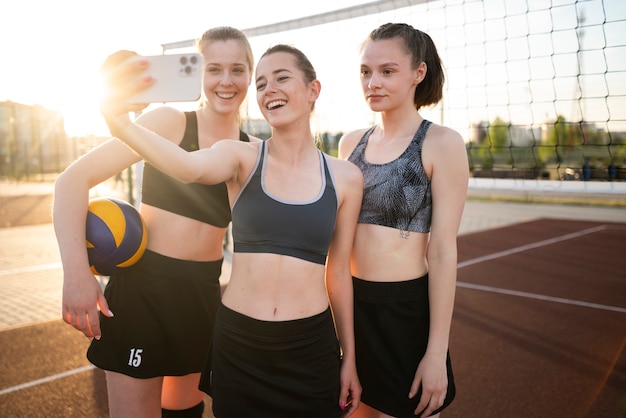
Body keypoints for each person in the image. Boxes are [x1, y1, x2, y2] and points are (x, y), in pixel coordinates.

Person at [97, 44, 363, 417]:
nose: (269, 89)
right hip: (240, 344)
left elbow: (338, 272)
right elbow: (189, 168)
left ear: (313, 90)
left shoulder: (347, 178)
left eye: (282, 78)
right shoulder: (241, 156)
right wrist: (121, 125)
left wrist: (348, 356)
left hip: (309, 346)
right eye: (261, 83)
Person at [53, 26, 259, 417]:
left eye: (238, 69)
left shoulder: (252, 151)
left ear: (250, 74)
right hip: (144, 293)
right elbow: (71, 181)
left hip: (201, 297)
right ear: (199, 73)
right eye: (214, 69)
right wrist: (76, 273)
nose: (226, 81)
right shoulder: (170, 122)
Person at [338, 23, 469, 418]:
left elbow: (443, 251)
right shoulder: (350, 143)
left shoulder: (442, 143)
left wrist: (435, 352)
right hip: (353, 312)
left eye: (387, 71)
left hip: (406, 316)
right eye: (365, 71)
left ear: (419, 73)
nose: (373, 82)